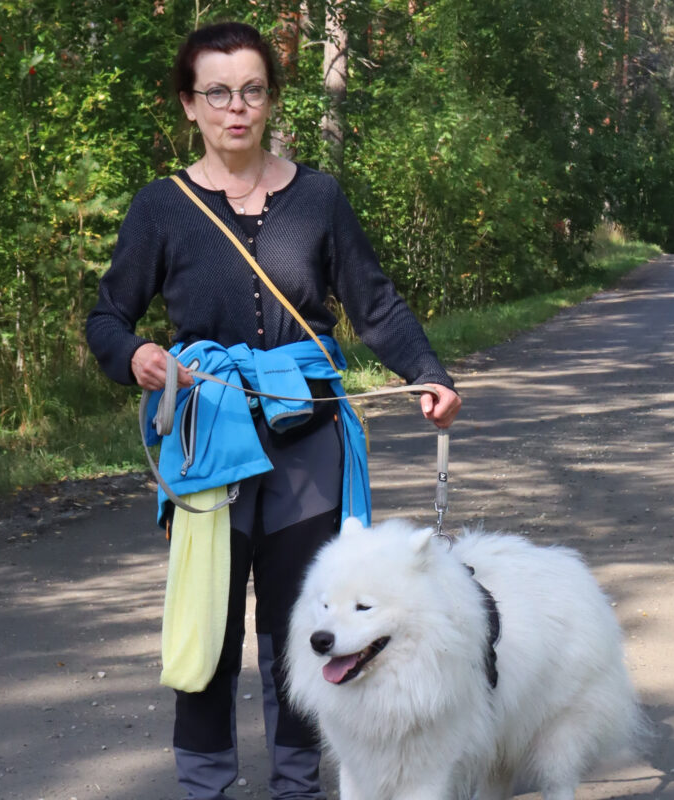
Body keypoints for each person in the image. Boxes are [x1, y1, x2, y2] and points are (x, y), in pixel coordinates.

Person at [84, 22, 461, 800]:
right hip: (208, 444)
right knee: (209, 634)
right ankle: (206, 789)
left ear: (270, 99)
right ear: (189, 105)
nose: (236, 108)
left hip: (309, 447)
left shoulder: (318, 195)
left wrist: (426, 372)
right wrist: (135, 358)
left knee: (305, 631)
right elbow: (107, 319)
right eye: (217, 92)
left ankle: (298, 786)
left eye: (252, 90)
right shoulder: (162, 207)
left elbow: (374, 302)